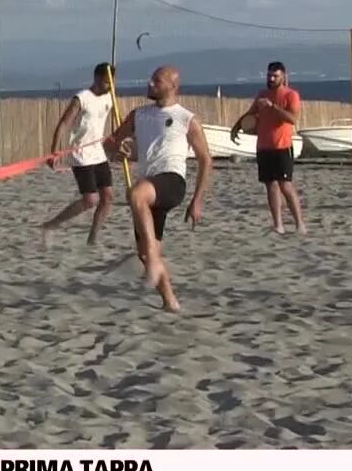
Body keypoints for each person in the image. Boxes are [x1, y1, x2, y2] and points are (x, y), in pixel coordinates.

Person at [103, 66, 212, 312]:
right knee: (144, 251)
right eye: (151, 79)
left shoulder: (187, 118)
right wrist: (116, 149)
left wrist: (197, 200)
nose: (150, 83)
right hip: (149, 185)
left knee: (136, 194)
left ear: (173, 86)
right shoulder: (138, 114)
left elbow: (206, 159)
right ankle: (170, 300)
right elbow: (111, 142)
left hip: (172, 181)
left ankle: (153, 258)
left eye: (157, 80)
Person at [41, 63, 117, 246]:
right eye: (107, 82)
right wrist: (54, 151)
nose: (110, 86)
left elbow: (115, 125)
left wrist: (120, 144)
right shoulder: (82, 98)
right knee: (90, 200)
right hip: (80, 154)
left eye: (112, 82)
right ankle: (51, 225)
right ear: (97, 79)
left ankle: (92, 238)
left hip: (98, 152)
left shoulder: (110, 97)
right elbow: (64, 124)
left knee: (107, 197)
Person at [230, 60, 306, 235]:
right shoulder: (262, 94)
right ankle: (278, 225)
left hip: (282, 145)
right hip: (264, 146)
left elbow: (293, 119)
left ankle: (299, 224)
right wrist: (236, 127)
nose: (271, 78)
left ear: (283, 77)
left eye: (275, 75)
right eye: (269, 75)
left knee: (285, 185)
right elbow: (250, 114)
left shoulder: (290, 95)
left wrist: (273, 107)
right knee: (270, 185)